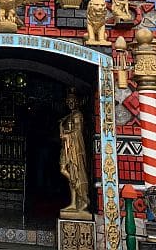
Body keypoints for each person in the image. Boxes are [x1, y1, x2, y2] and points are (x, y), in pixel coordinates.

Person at [59, 91, 91, 220]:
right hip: (67, 146)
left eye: (72, 101)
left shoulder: (77, 114)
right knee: (65, 169)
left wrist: (67, 135)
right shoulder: (69, 116)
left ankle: (81, 198)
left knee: (74, 171)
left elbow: (78, 131)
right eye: (69, 102)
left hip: (74, 148)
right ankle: (74, 202)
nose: (70, 104)